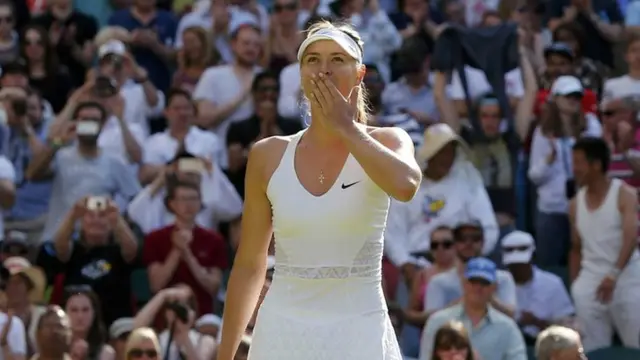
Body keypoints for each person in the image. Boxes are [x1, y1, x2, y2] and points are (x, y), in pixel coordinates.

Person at [215, 20, 422, 360]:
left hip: (361, 333)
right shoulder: (267, 154)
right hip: (282, 334)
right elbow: (250, 264)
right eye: (312, 59)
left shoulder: (388, 140)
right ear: (300, 73)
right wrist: (225, 355)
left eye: (337, 59)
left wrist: (345, 126)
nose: (323, 69)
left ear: (359, 74)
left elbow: (405, 186)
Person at [569, 137, 640, 351]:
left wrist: (613, 274)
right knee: (591, 351)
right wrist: (575, 287)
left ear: (596, 164)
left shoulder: (624, 194)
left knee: (636, 346)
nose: (575, 169)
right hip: (591, 282)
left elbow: (631, 237)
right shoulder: (573, 205)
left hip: (627, 278)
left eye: (579, 162)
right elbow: (576, 249)